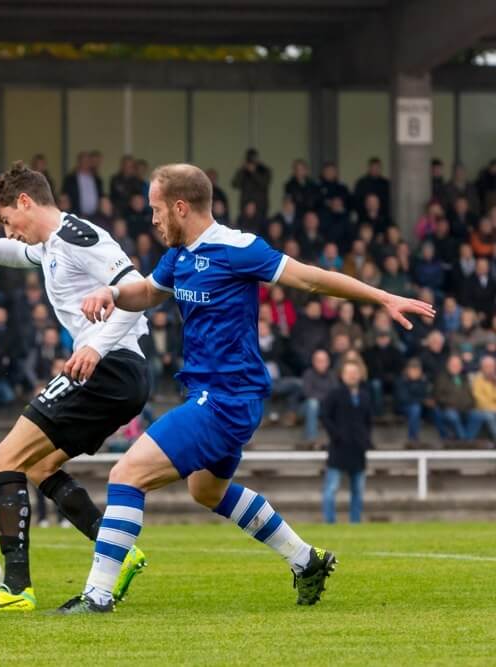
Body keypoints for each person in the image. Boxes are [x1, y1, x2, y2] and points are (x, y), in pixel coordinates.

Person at [56, 163, 434, 614]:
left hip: (226, 399)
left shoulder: (237, 248)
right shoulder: (178, 255)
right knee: (206, 491)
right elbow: (149, 293)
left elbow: (311, 278)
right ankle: (306, 560)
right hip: (215, 395)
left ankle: (97, 596)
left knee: (126, 475)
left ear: (181, 207)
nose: (152, 219)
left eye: (157, 210)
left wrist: (383, 297)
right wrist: (113, 293)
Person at [0, 161, 150, 613]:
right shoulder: (51, 245)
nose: (9, 231)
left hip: (110, 366)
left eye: (7, 220)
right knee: (37, 466)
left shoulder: (79, 237)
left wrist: (95, 346)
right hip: (116, 372)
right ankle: (118, 549)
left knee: (4, 459)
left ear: (25, 202)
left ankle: (17, 589)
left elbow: (137, 290)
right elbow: (18, 255)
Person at [320, 360, 373, 524]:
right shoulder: (334, 394)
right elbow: (325, 416)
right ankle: (329, 522)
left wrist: (366, 439)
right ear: (342, 375)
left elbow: (368, 421)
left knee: (358, 490)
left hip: (358, 449)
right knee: (331, 488)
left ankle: (355, 522)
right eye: (349, 373)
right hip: (339, 448)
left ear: (360, 375)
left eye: (355, 373)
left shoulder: (364, 395)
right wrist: (336, 435)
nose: (352, 376)